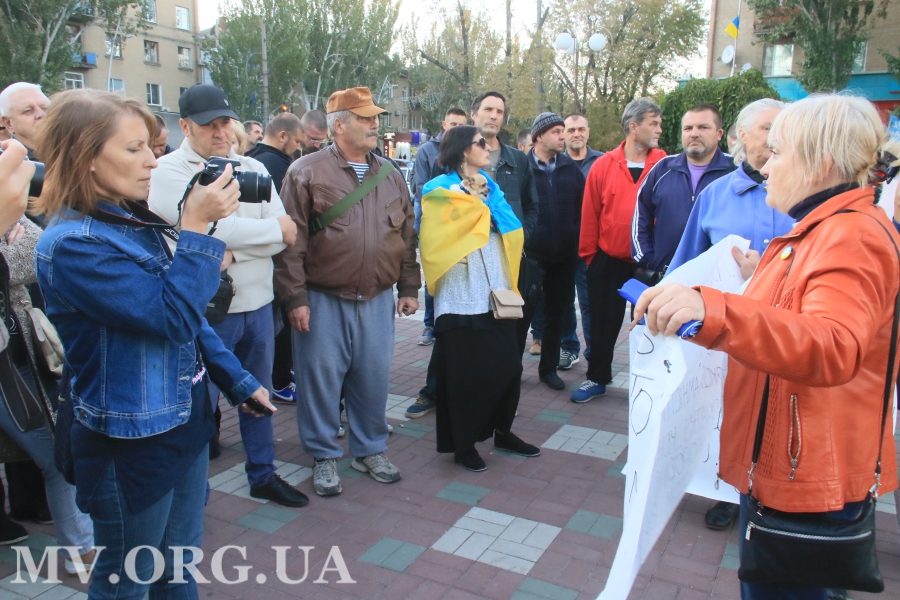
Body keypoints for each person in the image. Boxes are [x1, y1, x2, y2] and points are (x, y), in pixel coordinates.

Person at [634, 93, 900, 600]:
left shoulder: (849, 235)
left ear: (821, 161)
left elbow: (833, 345)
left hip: (807, 474)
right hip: (792, 463)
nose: (764, 165)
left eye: (777, 152)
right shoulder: (824, 229)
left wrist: (713, 311)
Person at [34, 88, 275, 599]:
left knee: (179, 566)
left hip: (183, 420)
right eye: (134, 148)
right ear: (84, 156)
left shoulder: (125, 217)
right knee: (127, 579)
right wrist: (196, 227)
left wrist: (236, 379)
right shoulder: (74, 243)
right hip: (132, 442)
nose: (152, 160)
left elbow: (190, 318)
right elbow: (174, 315)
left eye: (152, 146)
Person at [149, 84, 306, 508]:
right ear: (185, 127)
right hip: (207, 314)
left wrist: (232, 248)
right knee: (199, 407)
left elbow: (287, 233)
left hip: (259, 307)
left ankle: (263, 474)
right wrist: (250, 236)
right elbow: (206, 229)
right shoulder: (167, 171)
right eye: (209, 125)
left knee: (259, 397)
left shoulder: (250, 166)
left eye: (225, 123)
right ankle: (190, 492)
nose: (221, 132)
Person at [275, 87, 420, 497]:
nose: (375, 124)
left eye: (375, 118)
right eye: (365, 118)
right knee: (320, 380)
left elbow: (407, 236)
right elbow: (290, 244)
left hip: (377, 297)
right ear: (339, 126)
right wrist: (295, 298)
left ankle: (369, 449)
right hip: (323, 298)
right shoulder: (305, 171)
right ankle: (323, 454)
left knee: (372, 377)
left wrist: (409, 286)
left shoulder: (391, 174)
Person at [668, 98, 791, 533]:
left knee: (778, 412)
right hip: (724, 331)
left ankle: (771, 491)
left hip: (786, 331)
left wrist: (767, 273)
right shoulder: (716, 195)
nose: (777, 137)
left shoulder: (801, 192)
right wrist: (661, 306)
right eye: (768, 128)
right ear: (739, 137)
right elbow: (687, 260)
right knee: (726, 410)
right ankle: (726, 489)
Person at [404, 91, 538, 420]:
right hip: (458, 283)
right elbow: (448, 227)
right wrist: (484, 218)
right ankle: (442, 403)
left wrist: (495, 223)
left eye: (501, 111)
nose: (495, 116)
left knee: (497, 352)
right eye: (489, 109)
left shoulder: (495, 176)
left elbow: (512, 217)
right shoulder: (439, 186)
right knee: (456, 352)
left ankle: (489, 414)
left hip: (495, 275)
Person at [420, 125, 540, 471]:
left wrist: (483, 210)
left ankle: (503, 431)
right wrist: (482, 214)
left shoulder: (491, 186)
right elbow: (442, 234)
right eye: (480, 143)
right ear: (462, 150)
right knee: (463, 372)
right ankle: (463, 444)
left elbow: (511, 224)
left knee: (508, 366)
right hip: (459, 291)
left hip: (494, 287)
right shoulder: (437, 189)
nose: (488, 147)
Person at [573, 98, 665, 403]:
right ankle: (597, 377)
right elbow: (590, 214)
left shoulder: (665, 164)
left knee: (654, 324)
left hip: (649, 265)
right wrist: (590, 258)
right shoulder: (603, 165)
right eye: (653, 123)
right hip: (607, 261)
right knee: (602, 325)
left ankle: (654, 383)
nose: (659, 129)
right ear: (633, 127)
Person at [631, 104, 734, 275]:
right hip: (664, 276)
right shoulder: (663, 169)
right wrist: (648, 260)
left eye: (703, 127)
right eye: (688, 128)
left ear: (719, 133)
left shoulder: (735, 171)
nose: (694, 133)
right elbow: (641, 216)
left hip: (716, 279)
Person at [526, 113, 585, 390]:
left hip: (564, 256)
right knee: (521, 314)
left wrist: (575, 240)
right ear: (539, 136)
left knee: (556, 314)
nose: (563, 136)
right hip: (530, 256)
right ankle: (511, 370)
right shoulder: (522, 167)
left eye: (563, 131)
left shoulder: (571, 168)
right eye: (557, 132)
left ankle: (548, 369)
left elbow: (581, 209)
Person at [411, 107, 467, 353]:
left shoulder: (468, 149)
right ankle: (429, 325)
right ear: (444, 124)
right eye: (453, 124)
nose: (456, 129)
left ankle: (452, 322)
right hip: (432, 218)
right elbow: (422, 188)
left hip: (461, 222)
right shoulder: (427, 150)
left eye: (461, 125)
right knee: (434, 272)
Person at [245, 112, 305, 193]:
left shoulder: (251, 156)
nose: (299, 148)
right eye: (297, 141)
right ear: (282, 136)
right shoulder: (276, 164)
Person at [0, 82, 50, 158]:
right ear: (8, 123)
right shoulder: (6, 162)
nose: (42, 114)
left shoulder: (68, 152)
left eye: (45, 108)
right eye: (28, 110)